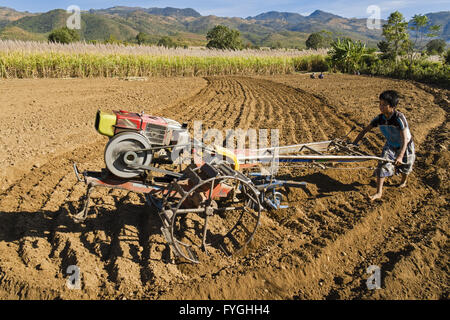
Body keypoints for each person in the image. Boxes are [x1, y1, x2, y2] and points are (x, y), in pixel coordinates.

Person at [352, 90, 415, 201]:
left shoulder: (398, 118)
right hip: (390, 145)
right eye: (380, 104)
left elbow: (404, 139)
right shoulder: (379, 118)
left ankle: (403, 180)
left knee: (406, 166)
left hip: (405, 145)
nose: (381, 107)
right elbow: (365, 130)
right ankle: (379, 192)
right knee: (381, 165)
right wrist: (354, 143)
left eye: (384, 104)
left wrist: (400, 156)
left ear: (392, 106)